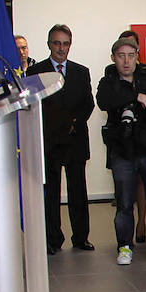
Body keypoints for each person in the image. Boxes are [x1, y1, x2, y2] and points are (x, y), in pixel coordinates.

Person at [96, 38, 146, 265]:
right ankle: (124, 246)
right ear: (113, 58)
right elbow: (103, 101)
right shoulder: (108, 81)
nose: (126, 61)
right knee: (124, 204)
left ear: (137, 56)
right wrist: (135, 96)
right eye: (121, 56)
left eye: (131, 55)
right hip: (123, 151)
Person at [29, 24, 95, 253]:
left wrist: (73, 123)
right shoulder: (36, 71)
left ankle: (81, 238)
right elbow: (34, 106)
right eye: (57, 43)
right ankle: (52, 239)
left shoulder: (80, 71)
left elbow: (88, 103)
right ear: (49, 44)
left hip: (75, 139)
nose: (61, 48)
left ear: (70, 45)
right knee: (52, 193)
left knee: (78, 190)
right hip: (49, 141)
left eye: (65, 43)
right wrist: (58, 125)